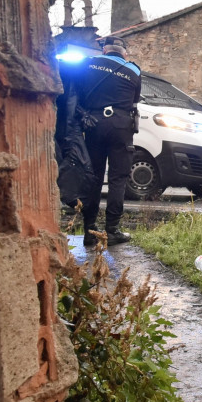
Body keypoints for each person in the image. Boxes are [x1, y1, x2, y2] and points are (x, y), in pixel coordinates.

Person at [76, 36, 142, 246]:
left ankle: (89, 231)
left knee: (94, 177)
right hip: (121, 125)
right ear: (124, 53)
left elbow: (77, 91)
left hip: (94, 124)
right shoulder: (134, 70)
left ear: (104, 51)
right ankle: (112, 230)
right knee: (118, 178)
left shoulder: (88, 63)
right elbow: (134, 99)